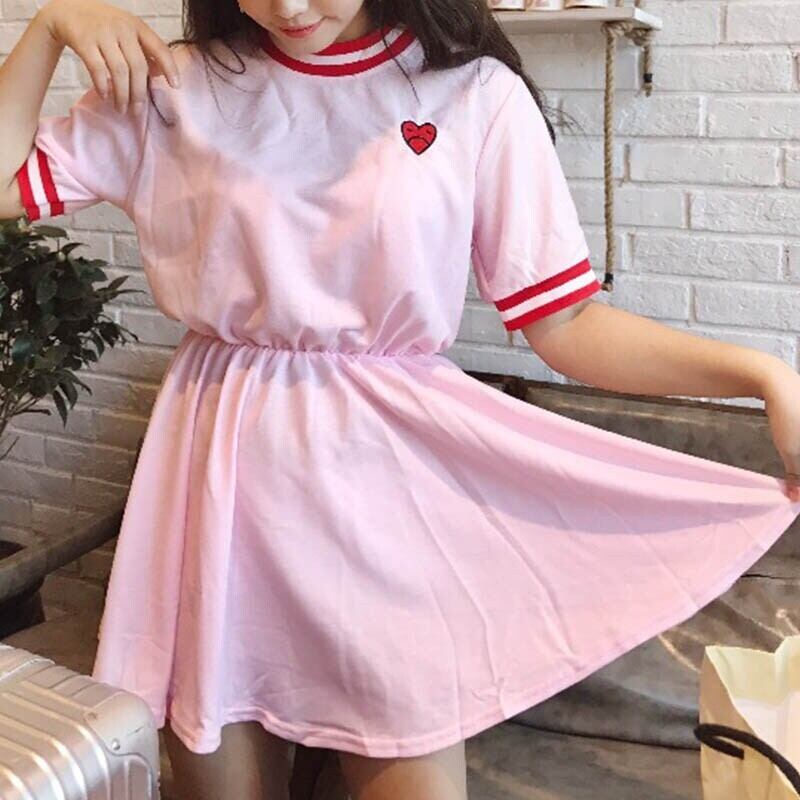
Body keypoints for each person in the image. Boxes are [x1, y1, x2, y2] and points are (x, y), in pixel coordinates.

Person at [1, 1, 800, 797]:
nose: (287, 7)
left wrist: (764, 376)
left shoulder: (474, 94)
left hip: (382, 500)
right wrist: (48, 29)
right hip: (219, 490)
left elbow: (565, 323)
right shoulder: (176, 88)